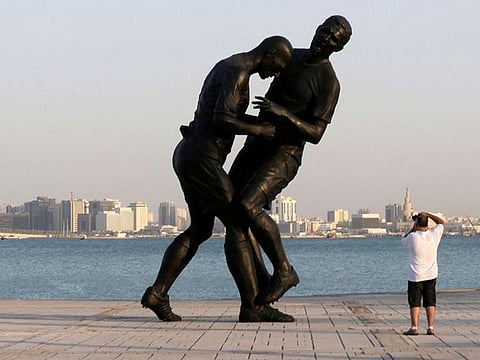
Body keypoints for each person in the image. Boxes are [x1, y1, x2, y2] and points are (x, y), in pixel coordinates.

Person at [141, 36, 295, 322]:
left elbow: (222, 113)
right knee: (238, 221)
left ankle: (158, 293)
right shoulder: (237, 72)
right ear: (270, 53)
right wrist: (258, 130)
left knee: (200, 229)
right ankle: (252, 307)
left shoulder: (229, 65)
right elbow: (221, 119)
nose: (276, 73)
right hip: (202, 160)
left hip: (188, 154)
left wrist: (255, 120)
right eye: (279, 66)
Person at [228, 15, 352, 305]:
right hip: (257, 142)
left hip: (285, 154)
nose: (325, 38)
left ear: (339, 48)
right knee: (233, 213)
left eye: (333, 38)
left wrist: (284, 114)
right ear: (317, 29)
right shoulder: (290, 55)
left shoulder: (328, 83)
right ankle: (255, 299)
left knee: (248, 205)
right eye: (324, 31)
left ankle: (284, 270)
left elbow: (316, 133)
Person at [401, 212, 445, 336]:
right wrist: (429, 215)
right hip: (431, 273)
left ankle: (414, 327)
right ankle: (430, 327)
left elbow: (402, 241)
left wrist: (412, 230)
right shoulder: (434, 234)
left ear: (416, 223)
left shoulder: (412, 237)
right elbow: (441, 222)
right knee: (430, 301)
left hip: (415, 275)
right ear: (427, 223)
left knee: (414, 301)